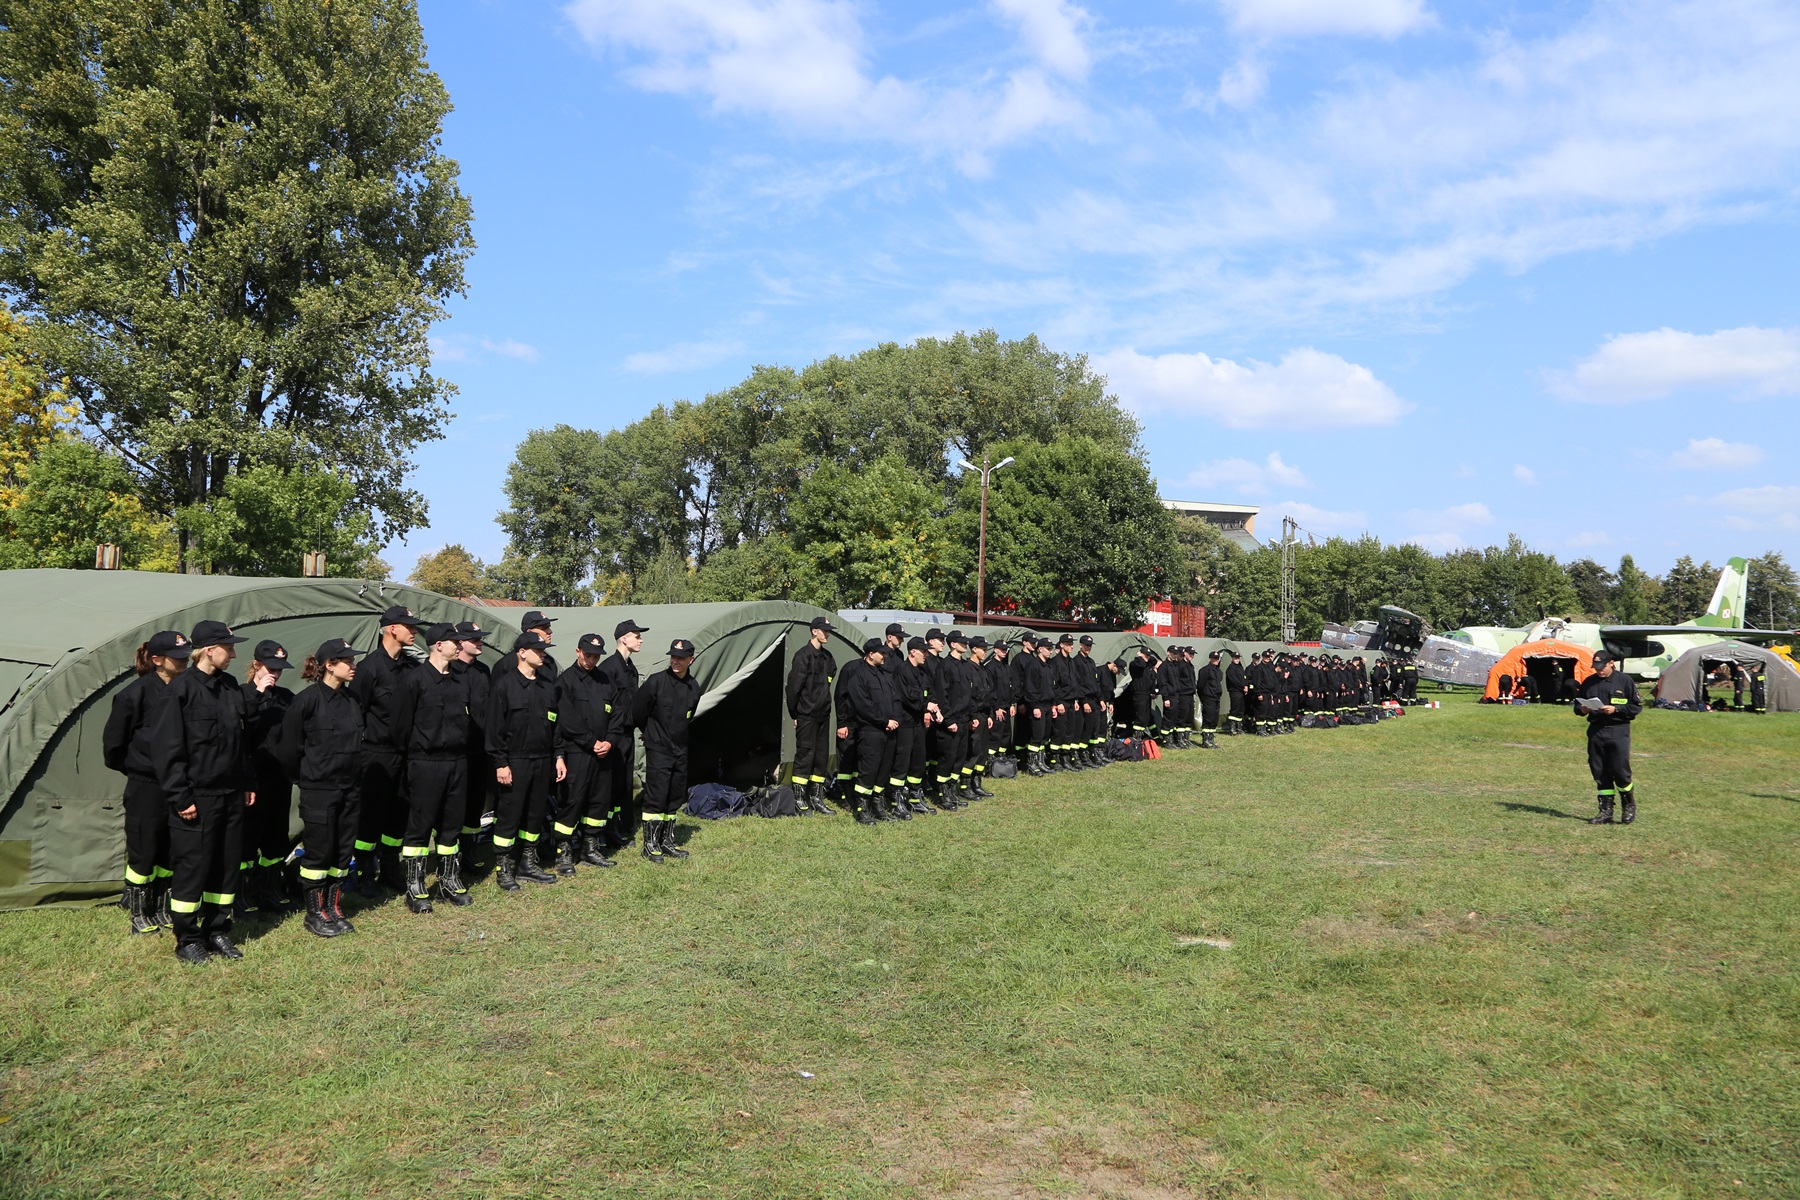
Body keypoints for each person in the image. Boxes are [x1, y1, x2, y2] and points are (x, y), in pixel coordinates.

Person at [148, 620, 257, 965]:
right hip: (198, 797)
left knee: (226, 867)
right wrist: (181, 797)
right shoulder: (179, 691)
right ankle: (188, 938)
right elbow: (167, 751)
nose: (234, 653)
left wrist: (248, 781)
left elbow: (241, 743)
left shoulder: (228, 687)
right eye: (229, 647)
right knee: (193, 868)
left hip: (231, 794)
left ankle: (217, 930)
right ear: (209, 650)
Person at [278, 639, 369, 937]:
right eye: (347, 661)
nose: (353, 665)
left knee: (342, 852)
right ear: (329, 664)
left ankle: (334, 907)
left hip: (350, 789)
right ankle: (314, 913)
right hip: (319, 789)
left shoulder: (352, 700)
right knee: (318, 853)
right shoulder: (306, 701)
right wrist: (307, 780)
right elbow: (290, 750)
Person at [104, 630, 192, 934]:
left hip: (179, 783)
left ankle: (163, 908)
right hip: (146, 784)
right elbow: (114, 747)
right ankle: (140, 911)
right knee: (144, 845)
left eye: (185, 657)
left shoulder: (187, 690)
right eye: (177, 658)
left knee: (172, 845)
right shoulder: (134, 695)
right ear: (157, 660)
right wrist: (140, 768)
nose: (184, 663)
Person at [393, 624, 473, 911]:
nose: (459, 646)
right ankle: (414, 887)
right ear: (438, 645)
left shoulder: (460, 681)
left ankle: (448, 881)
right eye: (454, 642)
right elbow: (400, 727)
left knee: (451, 825)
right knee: (419, 826)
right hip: (425, 763)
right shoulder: (414, 680)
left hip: (457, 762)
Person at [350, 604, 422, 896]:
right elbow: (356, 713)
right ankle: (366, 873)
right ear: (393, 628)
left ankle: (391, 868)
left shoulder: (411, 667)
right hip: (376, 754)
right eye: (410, 626)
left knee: (399, 814)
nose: (415, 631)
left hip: (405, 754)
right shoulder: (369, 668)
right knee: (370, 815)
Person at [486, 631, 566, 889]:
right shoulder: (504, 685)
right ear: (522, 652)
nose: (543, 653)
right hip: (514, 760)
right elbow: (494, 729)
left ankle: (528, 865)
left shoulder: (546, 686)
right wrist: (500, 762)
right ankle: (503, 868)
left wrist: (559, 756)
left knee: (534, 815)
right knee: (509, 815)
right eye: (538, 650)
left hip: (542, 760)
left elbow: (555, 726)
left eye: (544, 649)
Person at [554, 632, 626, 870]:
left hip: (604, 754)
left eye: (596, 656)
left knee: (599, 802)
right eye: (587, 654)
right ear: (578, 652)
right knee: (572, 801)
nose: (591, 659)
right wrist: (590, 742)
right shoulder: (565, 682)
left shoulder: (606, 681)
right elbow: (566, 719)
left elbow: (618, 715)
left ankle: (590, 848)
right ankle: (563, 851)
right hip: (578, 753)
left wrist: (610, 741)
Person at [240, 640, 297, 914]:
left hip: (279, 779)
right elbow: (240, 736)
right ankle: (242, 893)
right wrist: (258, 695)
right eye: (270, 667)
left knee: (276, 838)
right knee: (247, 839)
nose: (275, 673)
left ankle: (270, 889)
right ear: (256, 665)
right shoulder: (241, 695)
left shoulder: (287, 698)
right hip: (251, 781)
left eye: (280, 668)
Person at [635, 638, 702, 862]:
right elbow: (637, 710)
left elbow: (689, 717)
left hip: (680, 748)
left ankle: (667, 841)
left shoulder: (693, 687)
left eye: (680, 658)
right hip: (658, 748)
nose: (675, 661)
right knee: (656, 795)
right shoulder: (656, 682)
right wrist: (650, 732)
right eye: (672, 656)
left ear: (690, 660)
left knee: (674, 796)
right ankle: (650, 845)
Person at [1574, 650, 1642, 825]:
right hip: (1596, 730)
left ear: (1611, 663)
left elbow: (1636, 707)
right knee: (1600, 771)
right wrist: (1582, 709)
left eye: (1601, 667)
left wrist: (1616, 709)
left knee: (1620, 770)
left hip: (1618, 730)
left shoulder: (1624, 681)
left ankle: (1628, 804)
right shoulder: (1589, 682)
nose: (1599, 671)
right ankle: (1606, 811)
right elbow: (1577, 705)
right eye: (1595, 667)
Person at [598, 619, 648, 854]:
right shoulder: (609, 668)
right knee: (611, 784)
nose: (641, 640)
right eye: (636, 636)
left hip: (628, 735)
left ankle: (620, 826)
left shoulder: (631, 668)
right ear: (623, 638)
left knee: (624, 784)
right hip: (613, 736)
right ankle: (606, 832)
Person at [841, 638, 901, 824]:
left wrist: (895, 719)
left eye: (885, 653)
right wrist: (884, 721)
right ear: (870, 654)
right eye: (881, 653)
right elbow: (863, 706)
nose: (884, 656)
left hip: (890, 731)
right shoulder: (858, 676)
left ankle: (878, 807)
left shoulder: (885, 675)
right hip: (871, 731)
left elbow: (896, 699)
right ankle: (862, 809)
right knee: (868, 771)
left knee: (883, 771)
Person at [450, 621, 494, 873]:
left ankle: (469, 852)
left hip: (481, 750)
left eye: (481, 639)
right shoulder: (450, 671)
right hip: (457, 752)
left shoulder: (483, 671)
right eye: (475, 639)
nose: (480, 643)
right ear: (460, 643)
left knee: (475, 805)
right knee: (455, 805)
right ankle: (450, 855)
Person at [785, 616, 837, 815]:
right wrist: (795, 713)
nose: (827, 634)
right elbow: (793, 689)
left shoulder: (827, 657)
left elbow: (829, 679)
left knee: (821, 757)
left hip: (823, 715)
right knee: (805, 755)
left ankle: (817, 798)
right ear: (814, 631)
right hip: (806, 715)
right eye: (824, 630)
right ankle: (799, 798)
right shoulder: (803, 656)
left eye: (828, 630)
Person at [893, 638, 935, 813]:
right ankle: (896, 801)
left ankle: (915, 798)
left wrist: (929, 706)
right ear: (912, 652)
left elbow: (929, 691)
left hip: (918, 723)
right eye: (922, 651)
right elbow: (907, 697)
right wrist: (925, 705)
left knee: (918, 760)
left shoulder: (922, 671)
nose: (926, 655)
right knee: (902, 761)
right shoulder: (902, 671)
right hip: (905, 723)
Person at [497, 610, 561, 682]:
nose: (550, 631)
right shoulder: (506, 664)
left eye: (549, 627)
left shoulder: (549, 661)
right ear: (530, 632)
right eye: (544, 628)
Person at [1196, 650, 1224, 749]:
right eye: (1214, 658)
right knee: (1208, 718)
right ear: (1210, 659)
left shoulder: (1219, 672)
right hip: (1208, 698)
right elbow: (1200, 685)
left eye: (1217, 658)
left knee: (1214, 719)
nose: (1216, 660)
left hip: (1216, 698)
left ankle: (1211, 739)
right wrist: (1203, 697)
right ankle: (1205, 740)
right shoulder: (1204, 671)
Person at [1225, 650, 1246, 735]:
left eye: (1238, 658)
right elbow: (1234, 681)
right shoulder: (1231, 668)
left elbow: (1244, 678)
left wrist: (1246, 685)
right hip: (1235, 691)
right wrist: (1243, 686)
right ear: (1232, 658)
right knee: (1235, 709)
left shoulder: (1240, 667)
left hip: (1241, 691)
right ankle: (1232, 728)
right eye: (1235, 658)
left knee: (1240, 710)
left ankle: (1239, 727)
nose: (1237, 659)